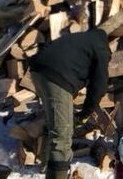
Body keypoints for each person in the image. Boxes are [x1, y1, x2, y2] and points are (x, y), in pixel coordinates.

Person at [29, 22, 110, 179]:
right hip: (57, 79)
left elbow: (47, 46)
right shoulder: (101, 48)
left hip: (37, 72)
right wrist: (85, 113)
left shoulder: (78, 39)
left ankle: (46, 164)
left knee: (56, 125)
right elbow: (99, 86)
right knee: (62, 137)